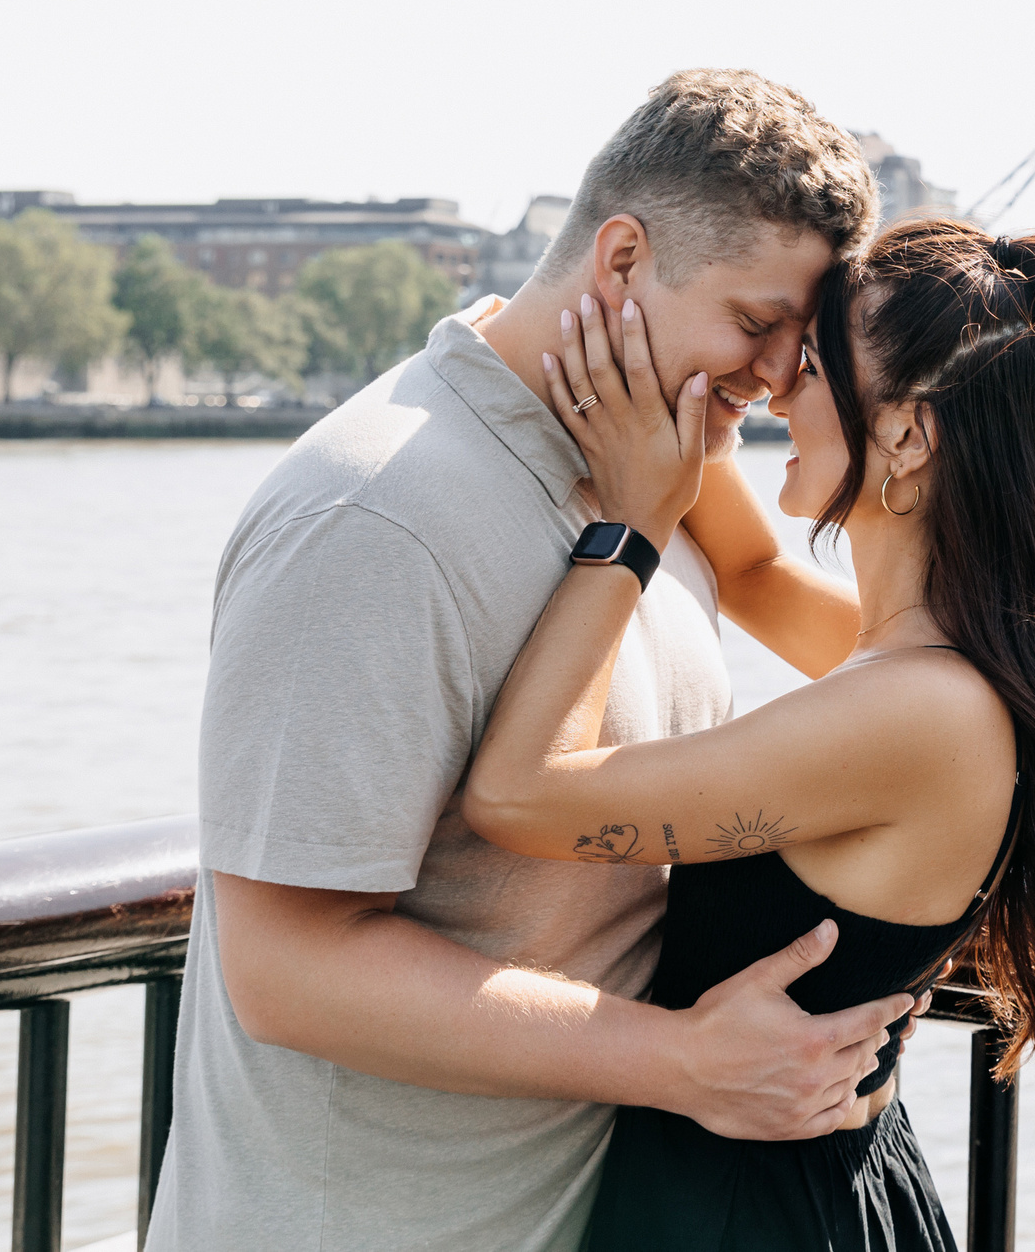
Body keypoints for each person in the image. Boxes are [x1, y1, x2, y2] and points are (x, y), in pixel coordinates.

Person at [147, 70, 915, 1252]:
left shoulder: (658, 468)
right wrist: (686, 1063)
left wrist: (994, 701)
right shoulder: (375, 518)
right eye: (756, 325)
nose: (775, 382)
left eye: (794, 342)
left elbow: (790, 601)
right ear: (621, 264)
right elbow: (287, 968)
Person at [461, 216, 1035, 1250]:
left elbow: (516, 796)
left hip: (752, 1210)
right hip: (801, 1181)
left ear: (910, 435)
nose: (778, 382)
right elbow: (752, 574)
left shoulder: (919, 711)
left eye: (814, 365)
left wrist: (631, 526)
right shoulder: (938, 663)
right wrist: (661, 398)